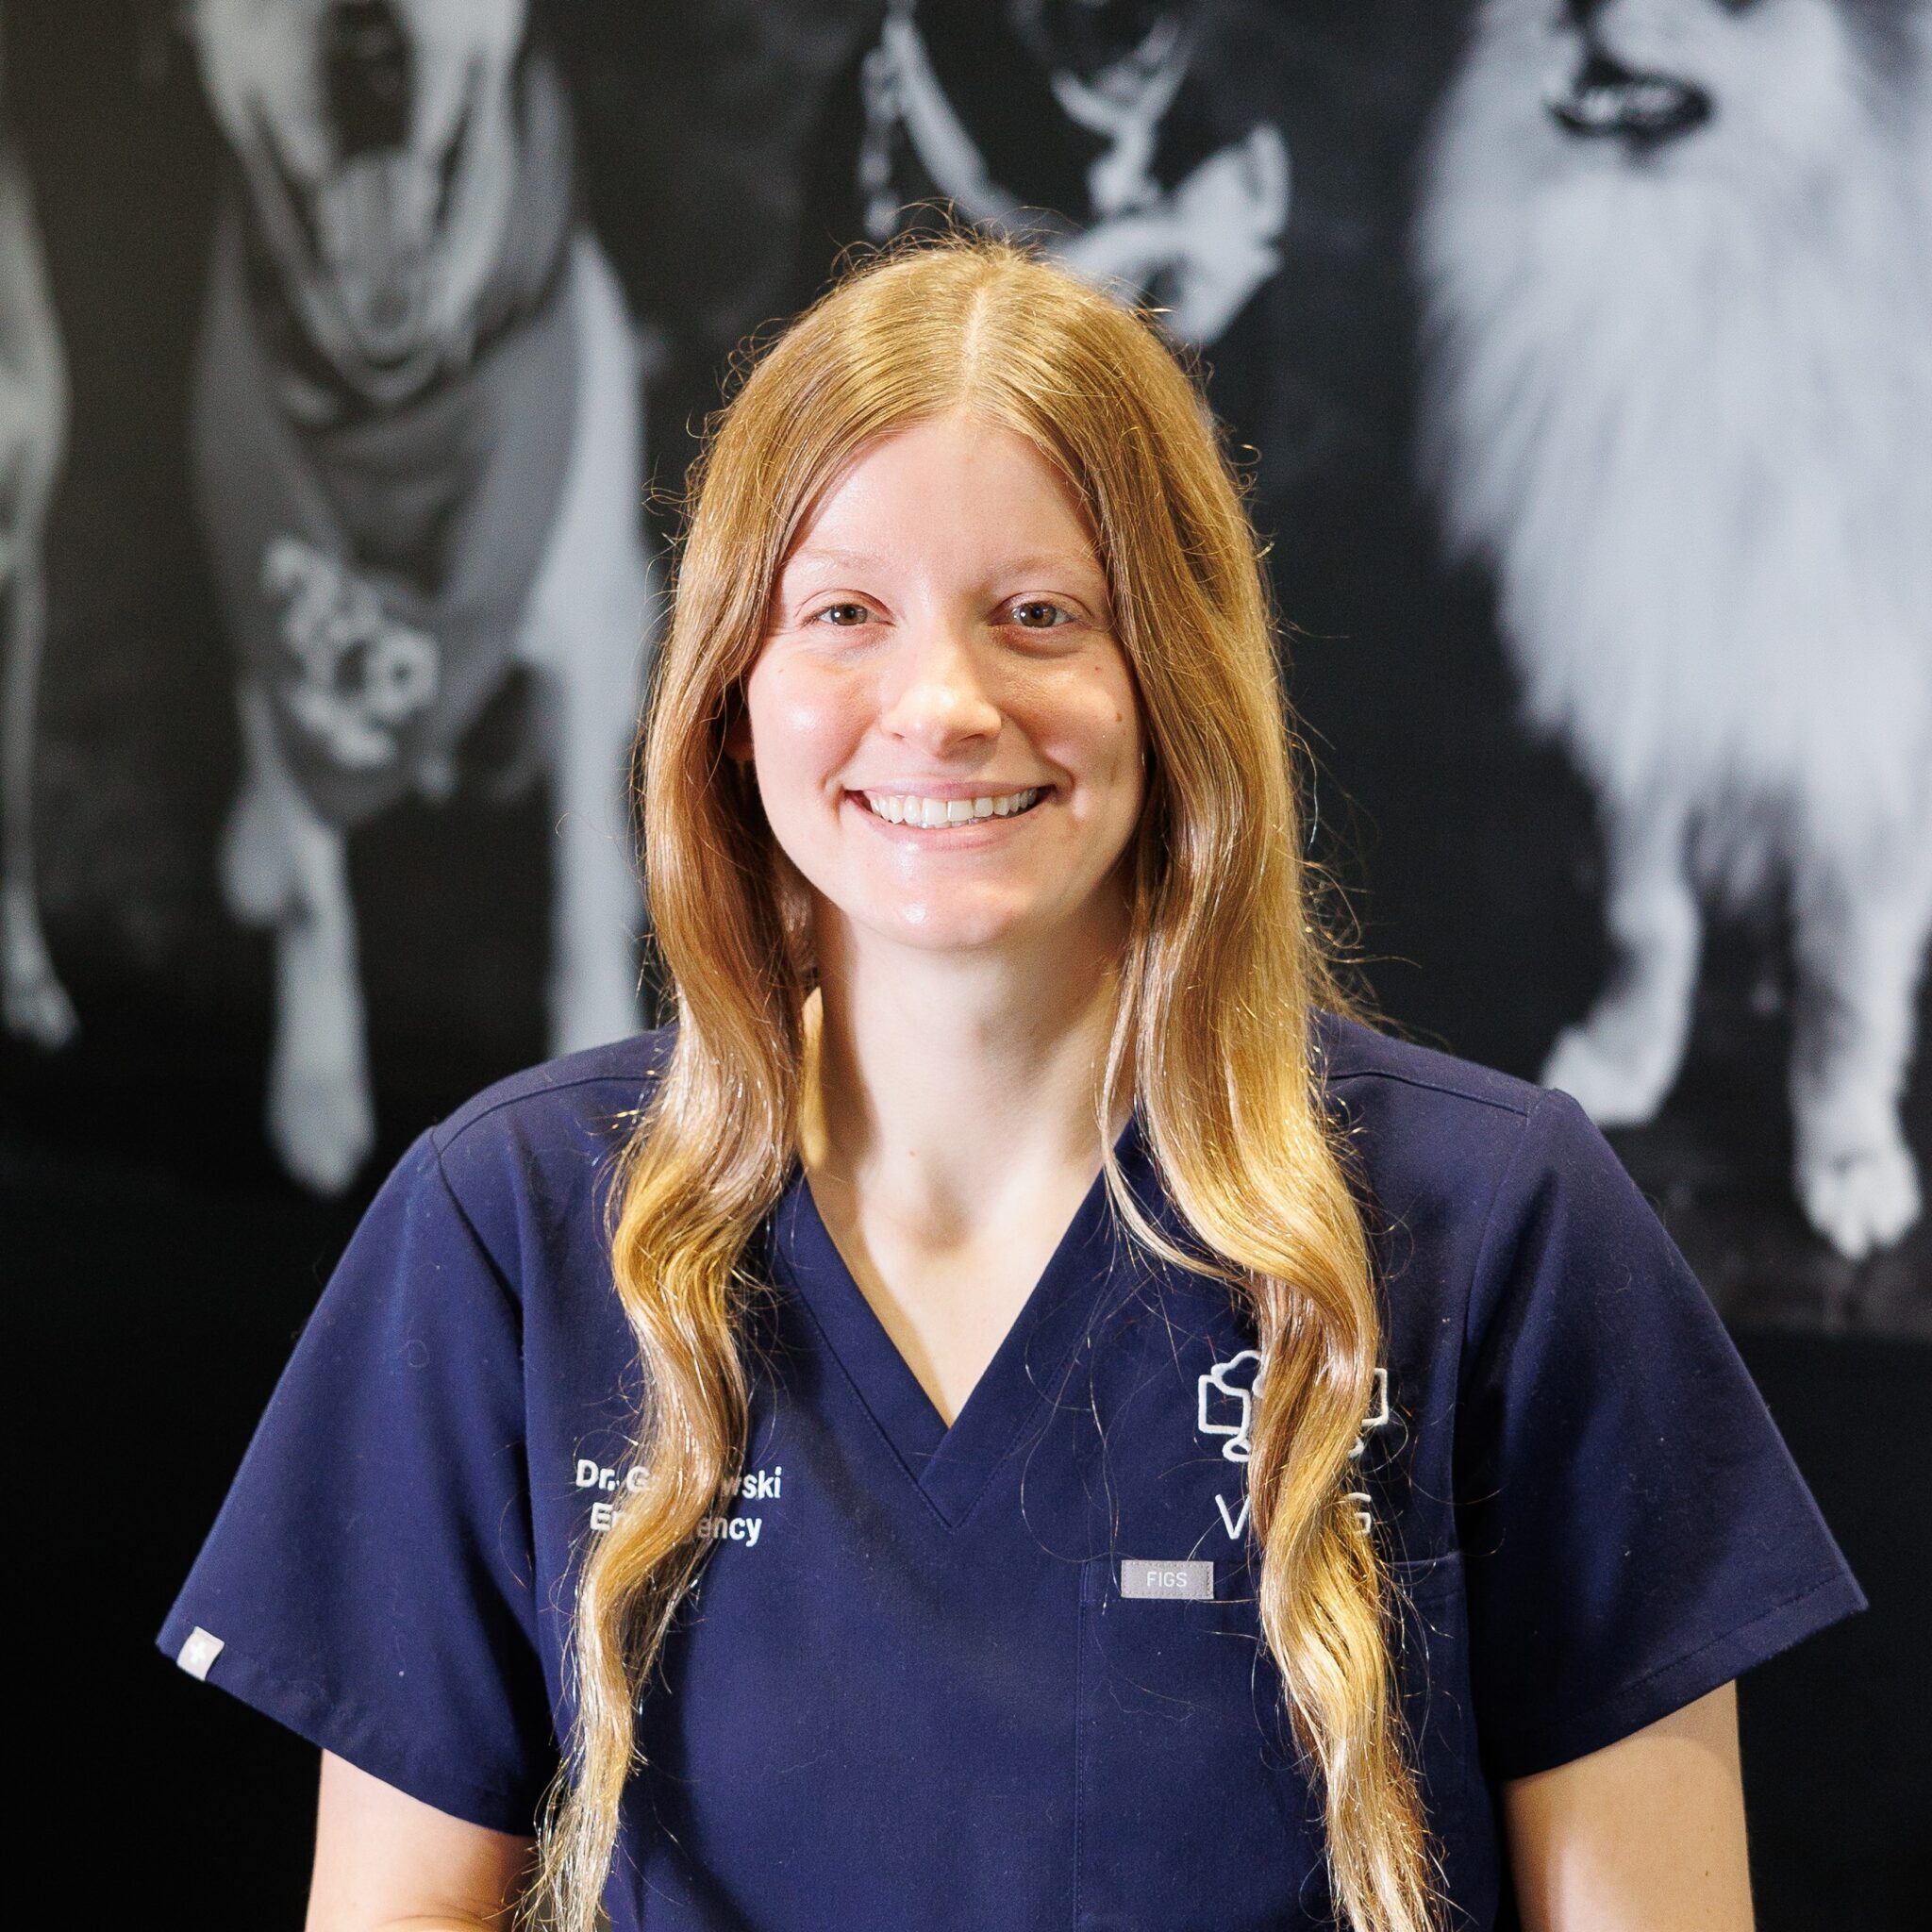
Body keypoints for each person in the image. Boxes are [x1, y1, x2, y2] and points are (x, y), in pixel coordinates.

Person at [158, 236, 1864, 1932]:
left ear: (1178, 680)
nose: (945, 703)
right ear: (732, 701)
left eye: (1040, 616)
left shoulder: (1498, 1227)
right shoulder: (511, 1230)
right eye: (843, 613)